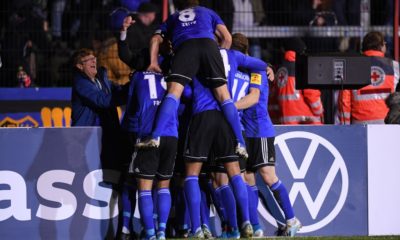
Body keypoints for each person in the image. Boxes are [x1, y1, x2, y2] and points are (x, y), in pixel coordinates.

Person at [137, 0, 247, 159]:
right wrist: (219, 57)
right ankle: (240, 142)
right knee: (224, 95)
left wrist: (153, 62)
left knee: (173, 93)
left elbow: (155, 39)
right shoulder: (208, 12)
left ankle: (154, 136)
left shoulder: (174, 17)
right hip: (209, 45)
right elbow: (227, 38)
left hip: (185, 47)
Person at [70, 48, 131, 238]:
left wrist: (134, 83)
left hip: (110, 138)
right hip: (88, 142)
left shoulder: (102, 77)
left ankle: (123, 228)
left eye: (93, 58)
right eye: (88, 60)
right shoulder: (80, 83)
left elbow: (118, 91)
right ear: (80, 66)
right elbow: (102, 101)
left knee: (119, 181)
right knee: (90, 185)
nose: (93, 61)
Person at [338, 31, 400, 124]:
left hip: (359, 124)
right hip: (387, 124)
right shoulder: (395, 66)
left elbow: (344, 100)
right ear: (382, 46)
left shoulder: (352, 67)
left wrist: (345, 125)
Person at [275, 38, 324, 124]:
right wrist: (320, 112)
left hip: (284, 124)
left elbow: (273, 102)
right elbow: (312, 96)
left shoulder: (278, 71)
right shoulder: (304, 69)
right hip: (307, 124)